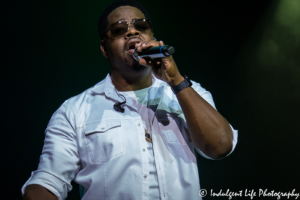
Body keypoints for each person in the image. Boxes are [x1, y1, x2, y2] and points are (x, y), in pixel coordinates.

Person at [22, 0, 238, 199]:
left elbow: (220, 146)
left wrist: (176, 80)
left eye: (141, 26)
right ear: (104, 49)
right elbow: (47, 183)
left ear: (153, 35)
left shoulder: (187, 92)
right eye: (119, 30)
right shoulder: (74, 111)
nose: (132, 31)